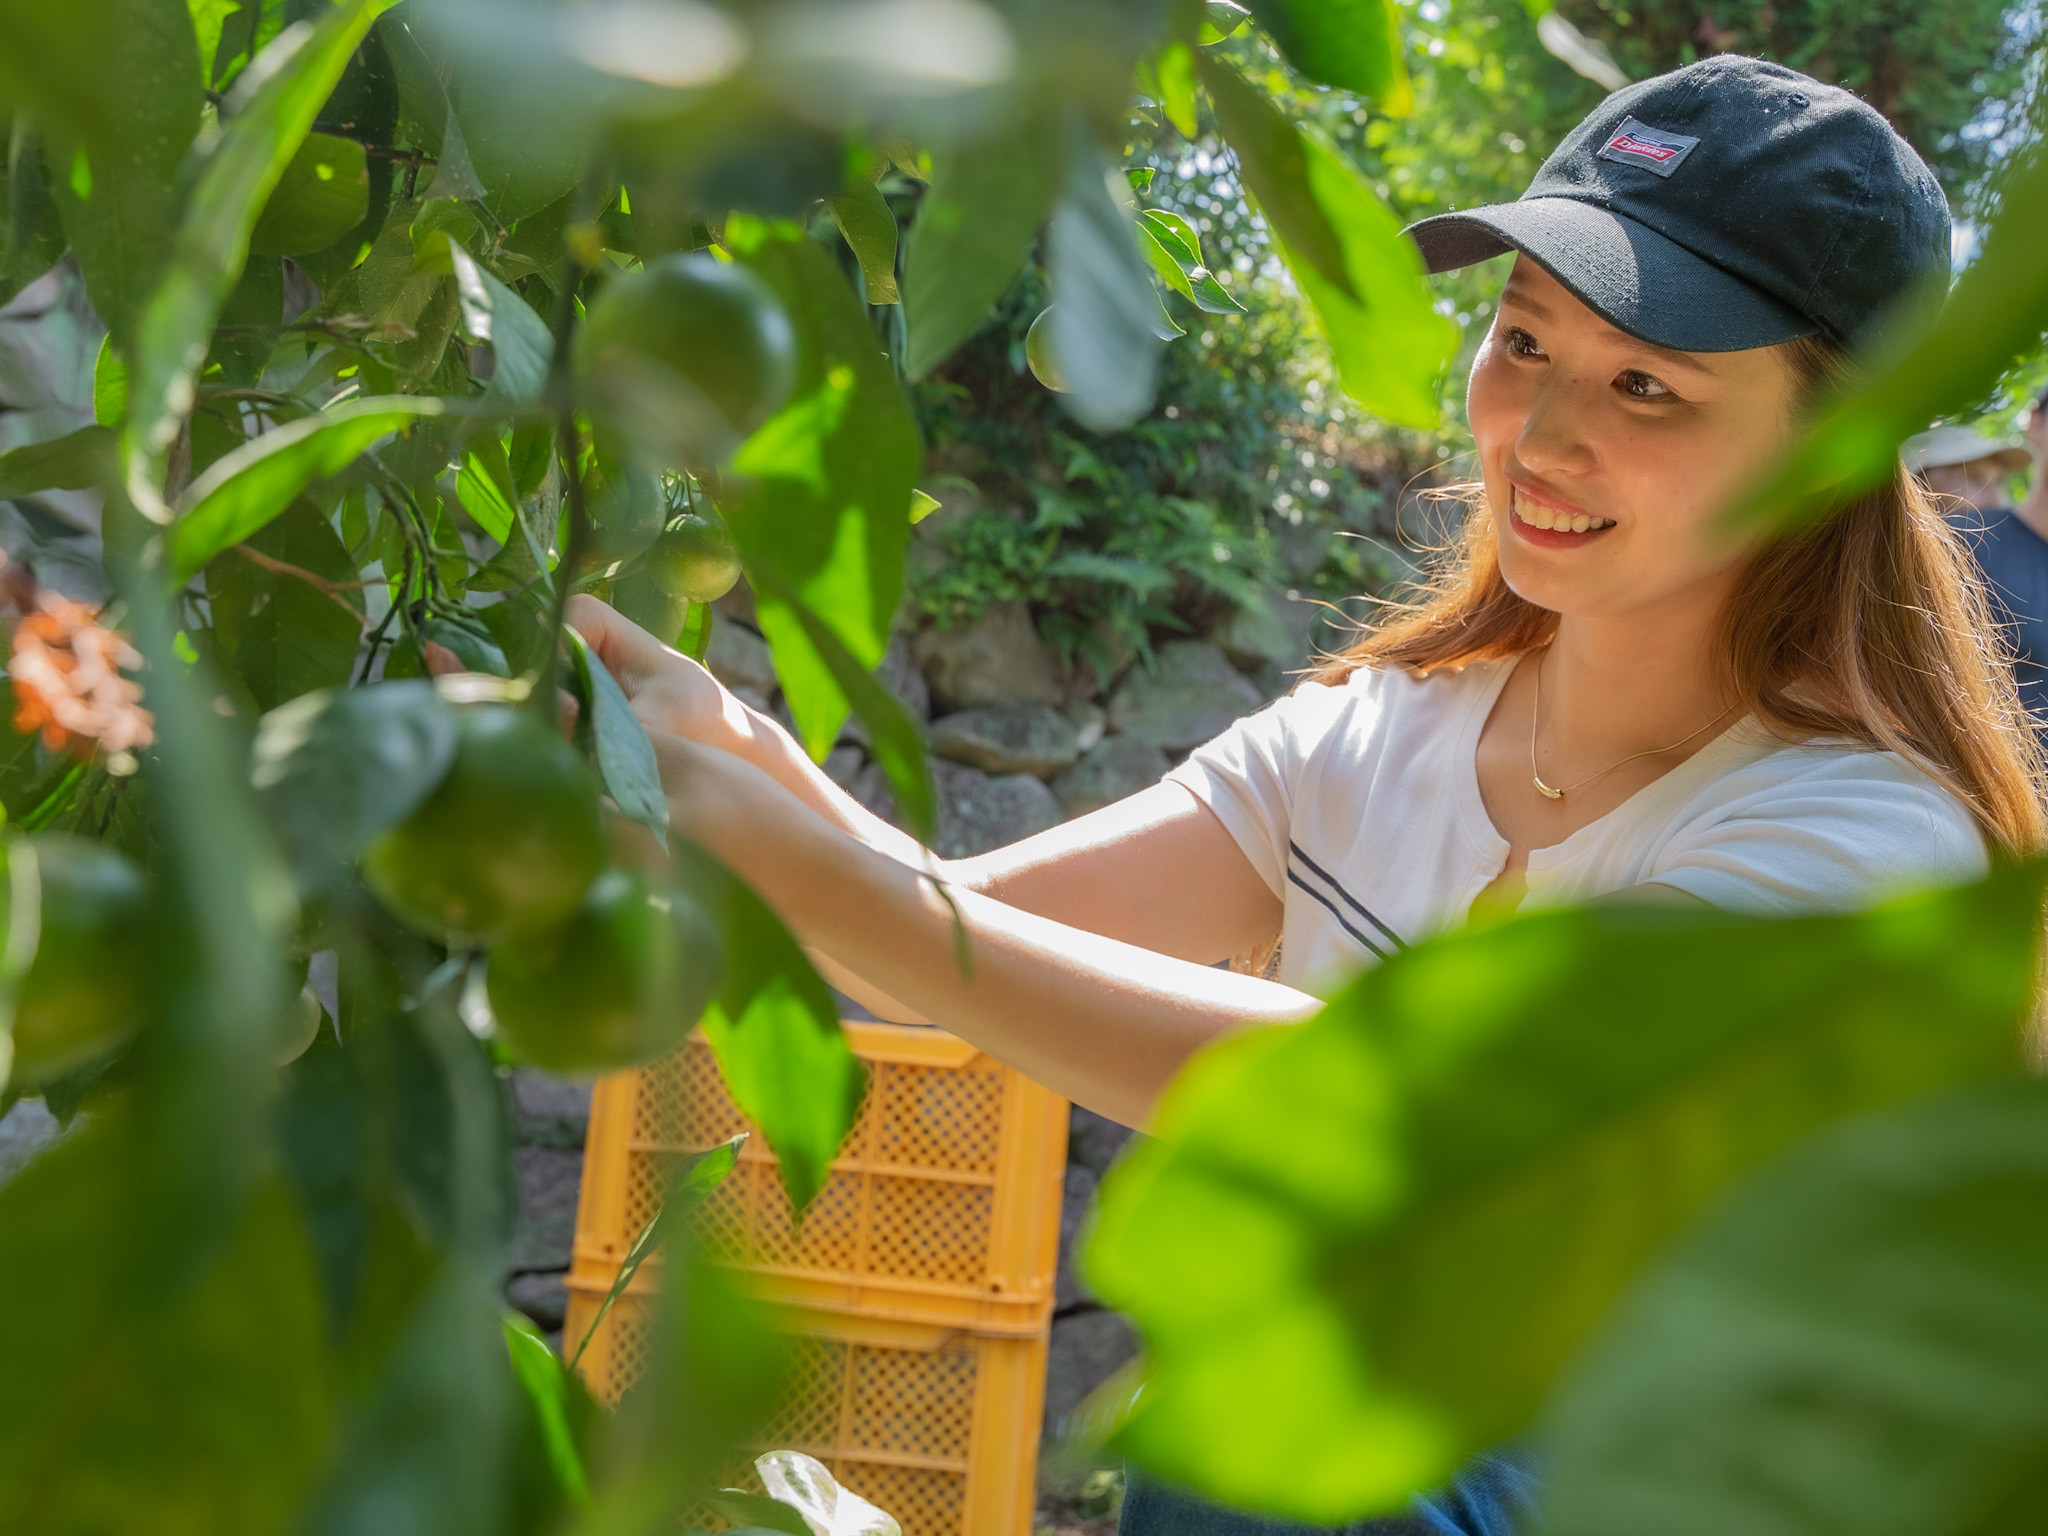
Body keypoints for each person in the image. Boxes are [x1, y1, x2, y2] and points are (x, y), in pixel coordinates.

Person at [554, 55, 2047, 1536]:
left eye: (1647, 384)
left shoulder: (1866, 846)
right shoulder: (1380, 732)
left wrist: (817, 870)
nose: (1540, 430)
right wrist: (729, 753)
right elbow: (937, 955)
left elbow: (1410, 1130)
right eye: (1523, 342)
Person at [1911, 401, 2048, 722]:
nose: (1996, 499)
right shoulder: (1960, 544)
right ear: (1915, 488)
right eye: (1972, 478)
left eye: (1999, 482)